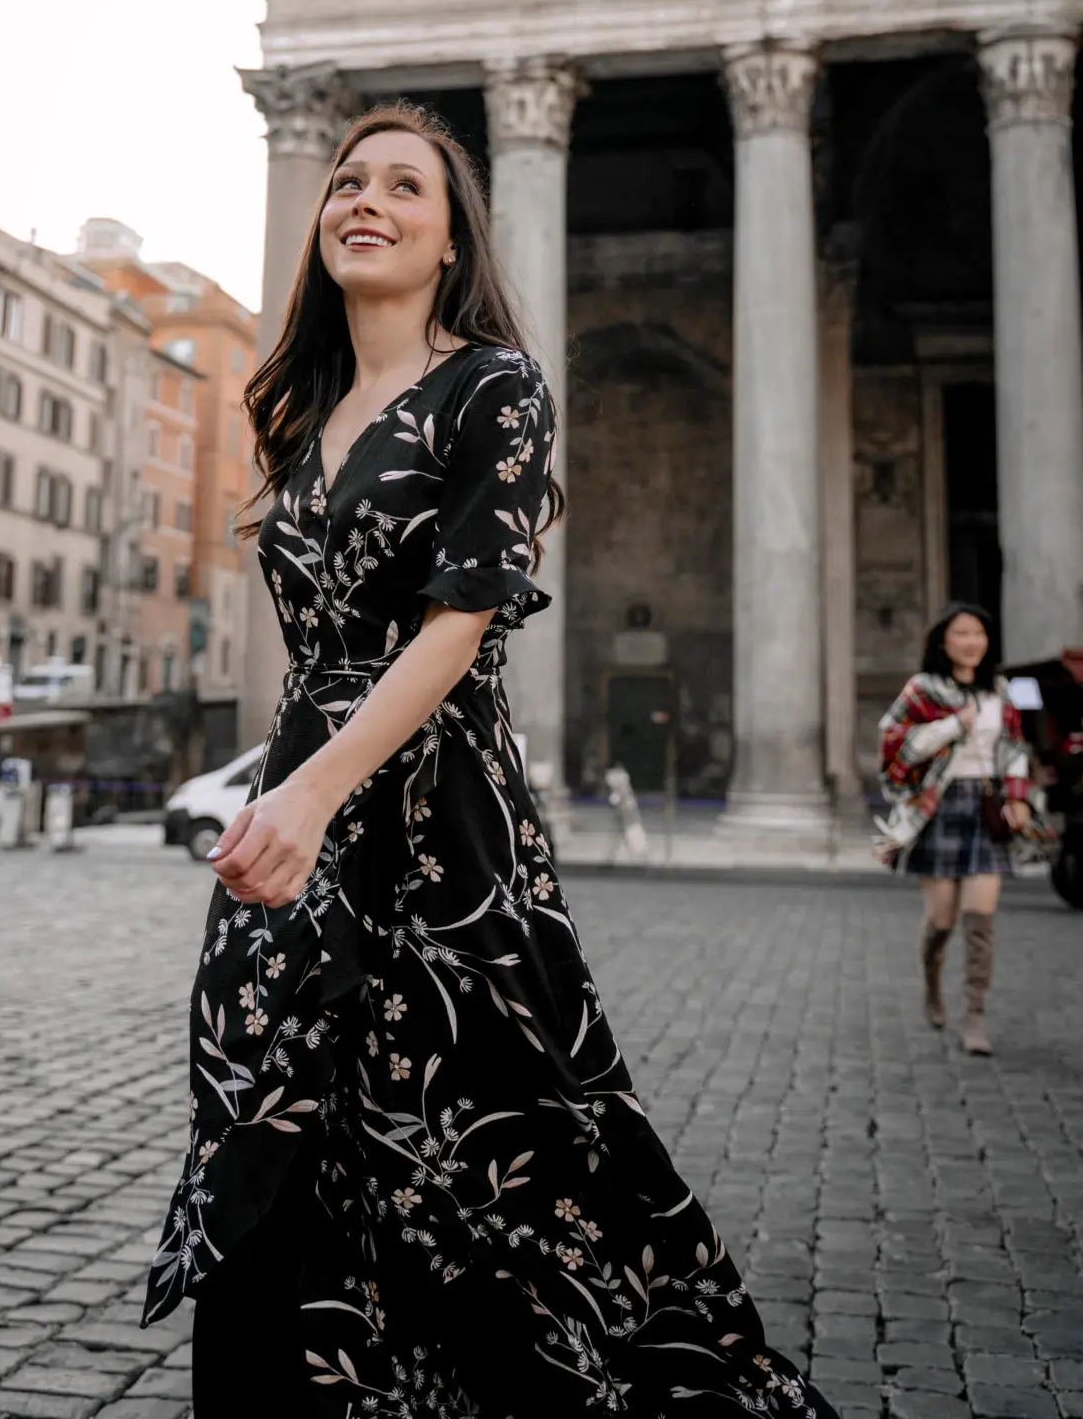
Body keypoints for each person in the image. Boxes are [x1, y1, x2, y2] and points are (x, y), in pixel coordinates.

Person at [143, 101, 836, 1419]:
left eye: (406, 187)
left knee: (491, 1143)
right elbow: (311, 651)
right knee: (267, 1125)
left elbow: (459, 626)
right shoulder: (302, 415)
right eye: (348, 182)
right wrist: (287, 789)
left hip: (435, 819)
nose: (366, 201)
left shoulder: (495, 389)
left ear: (452, 237)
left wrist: (306, 791)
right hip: (304, 801)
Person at [878, 602, 1032, 1054]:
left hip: (984, 807)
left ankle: (974, 1019)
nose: (971, 642)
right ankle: (932, 980)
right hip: (937, 809)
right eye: (962, 633)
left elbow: (1015, 745)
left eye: (979, 634)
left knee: (980, 920)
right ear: (943, 642)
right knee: (942, 919)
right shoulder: (923, 690)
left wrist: (1019, 797)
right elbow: (895, 743)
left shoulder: (999, 692)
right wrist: (950, 726)